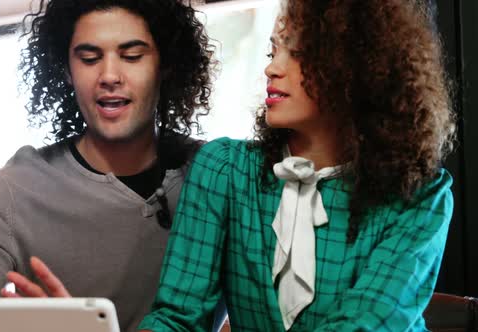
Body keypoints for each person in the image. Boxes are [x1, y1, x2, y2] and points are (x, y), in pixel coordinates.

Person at [138, 0, 456, 331]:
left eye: (300, 53)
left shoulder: (420, 195)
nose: (272, 68)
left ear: (360, 68)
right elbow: (178, 317)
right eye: (273, 52)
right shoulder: (223, 169)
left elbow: (363, 325)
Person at [0, 0, 215, 331]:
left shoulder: (215, 178)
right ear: (66, 71)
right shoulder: (15, 189)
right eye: (89, 59)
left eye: (132, 56)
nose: (109, 76)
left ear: (165, 65)